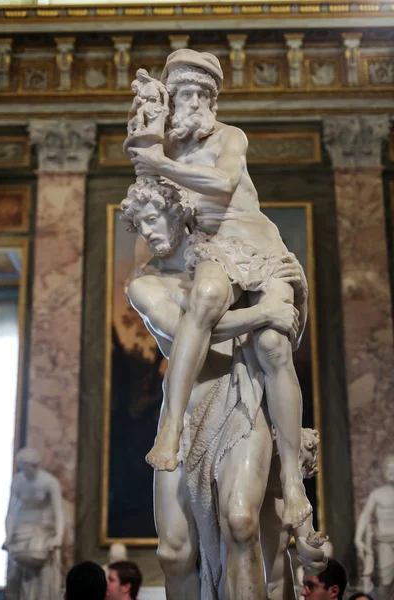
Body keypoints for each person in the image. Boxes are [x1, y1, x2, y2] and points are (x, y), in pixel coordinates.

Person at [129, 48, 310, 529]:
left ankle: (292, 479)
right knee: (205, 300)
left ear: (211, 100)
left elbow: (224, 183)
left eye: (199, 95)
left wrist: (159, 164)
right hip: (216, 250)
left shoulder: (229, 137)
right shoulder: (166, 150)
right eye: (181, 95)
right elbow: (149, 204)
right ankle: (170, 427)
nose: (191, 104)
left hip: (261, 246)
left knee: (272, 347)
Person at [123, 181, 310, 599]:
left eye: (153, 219)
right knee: (173, 552)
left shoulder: (230, 260)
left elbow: (282, 333)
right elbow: (189, 330)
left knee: (241, 523)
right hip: (186, 407)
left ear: (179, 212)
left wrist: (299, 291)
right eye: (138, 225)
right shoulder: (144, 286)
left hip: (241, 399)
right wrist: (262, 310)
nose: (148, 232)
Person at [261, 429, 328, 600]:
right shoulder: (254, 495)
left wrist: (311, 547)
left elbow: (310, 552)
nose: (296, 474)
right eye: (292, 463)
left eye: (303, 467)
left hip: (279, 588)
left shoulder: (298, 502)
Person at [3, 447, 64, 600]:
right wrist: (8, 537)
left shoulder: (50, 482)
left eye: (26, 466)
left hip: (43, 530)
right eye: (21, 466)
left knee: (42, 571)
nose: (24, 470)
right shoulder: (17, 481)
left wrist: (58, 537)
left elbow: (58, 512)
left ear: (35, 465)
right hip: (21, 529)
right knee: (14, 571)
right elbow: (10, 513)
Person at [355, 454, 394, 598]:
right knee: (386, 578)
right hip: (385, 542)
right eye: (388, 469)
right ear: (384, 472)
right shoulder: (377, 494)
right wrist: (358, 538)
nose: (391, 472)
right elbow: (365, 516)